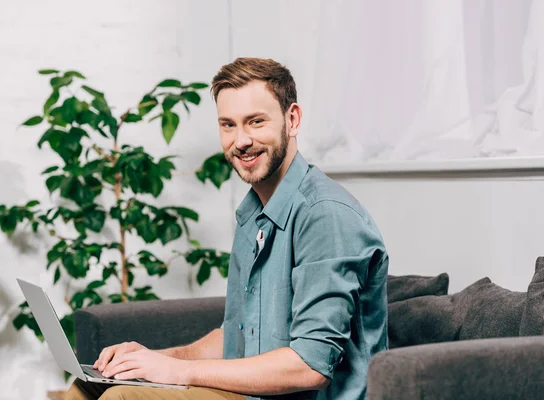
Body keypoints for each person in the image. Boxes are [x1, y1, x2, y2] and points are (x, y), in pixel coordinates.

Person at [66, 57, 388, 400]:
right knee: (90, 386)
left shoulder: (325, 216)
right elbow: (235, 335)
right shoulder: (254, 214)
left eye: (256, 122)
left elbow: (309, 366)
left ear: (292, 120)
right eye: (228, 125)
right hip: (255, 394)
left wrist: (178, 372)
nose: (241, 140)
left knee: (124, 398)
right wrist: (153, 360)